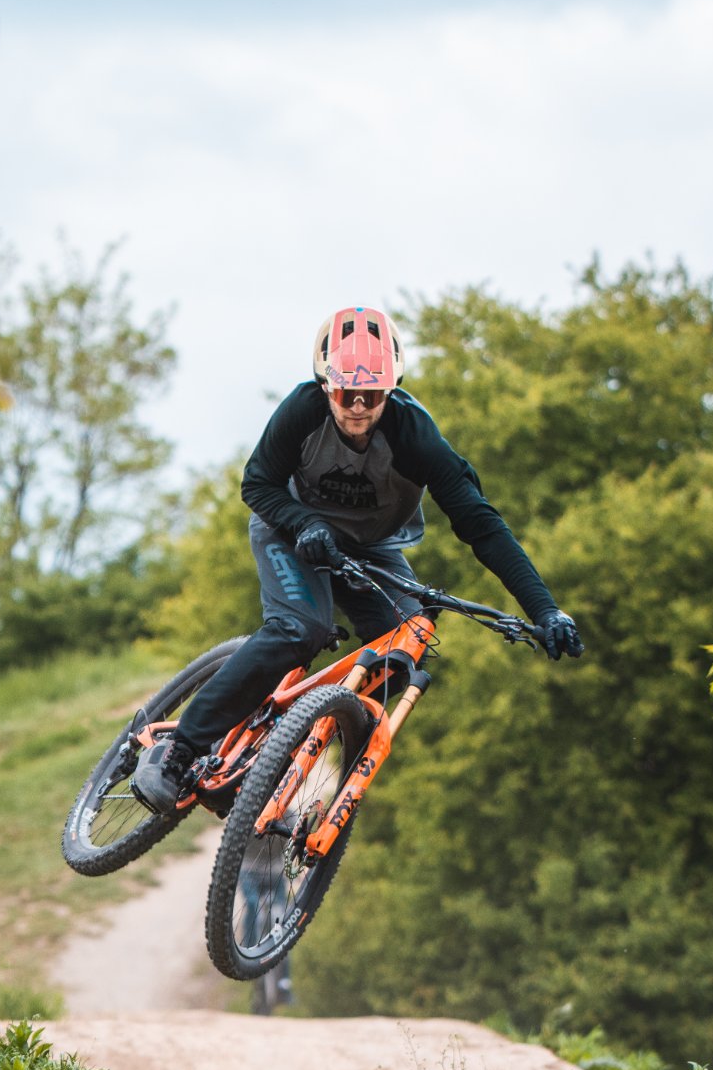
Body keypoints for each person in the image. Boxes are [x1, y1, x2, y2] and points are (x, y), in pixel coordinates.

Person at [132, 305, 583, 810]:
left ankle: (272, 752)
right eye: (348, 394)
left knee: (409, 644)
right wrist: (304, 524)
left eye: (374, 396)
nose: (360, 408)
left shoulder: (415, 436)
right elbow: (256, 484)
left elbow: (481, 526)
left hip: (372, 547)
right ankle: (179, 749)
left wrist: (545, 609)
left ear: (391, 390)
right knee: (300, 629)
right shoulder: (302, 410)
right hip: (290, 527)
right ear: (327, 386)